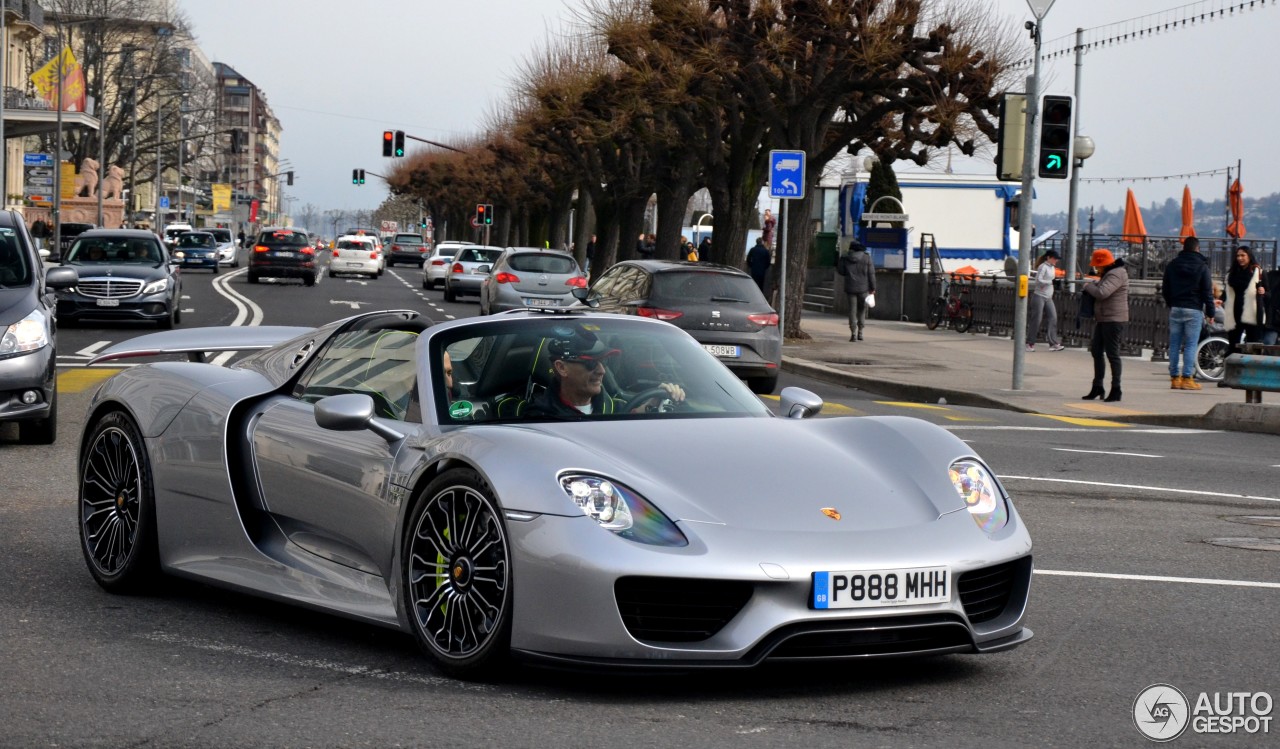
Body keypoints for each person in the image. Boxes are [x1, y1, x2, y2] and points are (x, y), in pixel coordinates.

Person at [525, 327, 684, 419]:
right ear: (561, 368)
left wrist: (654, 402)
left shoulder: (616, 407)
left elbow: (633, 417)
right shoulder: (534, 417)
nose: (601, 370)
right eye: (591, 363)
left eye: (605, 361)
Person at [1160, 236, 1215, 390]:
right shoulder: (1202, 266)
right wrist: (1211, 312)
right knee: (1191, 344)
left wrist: (1172, 303)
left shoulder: (1172, 265)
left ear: (1184, 248)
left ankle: (1174, 378)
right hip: (1193, 308)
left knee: (1174, 344)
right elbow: (1207, 292)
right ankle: (1187, 378)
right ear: (1197, 248)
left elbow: (1165, 289)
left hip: (1176, 308)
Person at [1081, 249, 1129, 402]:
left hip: (1113, 319)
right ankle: (1097, 386)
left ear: (1104, 263)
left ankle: (1116, 389)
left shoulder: (1116, 273)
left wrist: (1088, 286)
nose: (1097, 268)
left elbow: (1103, 293)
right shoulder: (1110, 273)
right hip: (1104, 318)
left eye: (1098, 265)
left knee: (1112, 354)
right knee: (1096, 351)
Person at [1223, 246, 1266, 357]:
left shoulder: (1258, 272)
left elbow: (1268, 293)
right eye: (1238, 255)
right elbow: (1226, 293)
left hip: (1252, 313)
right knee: (1233, 345)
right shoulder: (1231, 273)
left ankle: (1252, 370)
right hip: (1235, 313)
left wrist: (1263, 291)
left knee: (1253, 345)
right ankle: (1234, 370)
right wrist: (1219, 300)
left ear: (1249, 256)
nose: (1240, 258)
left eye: (1243, 255)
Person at [836, 239, 875, 342]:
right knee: (862, 310)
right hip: (864, 288)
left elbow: (841, 271)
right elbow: (871, 274)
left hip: (850, 288)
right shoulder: (867, 258)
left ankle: (853, 333)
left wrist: (841, 260)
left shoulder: (845, 257)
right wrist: (873, 288)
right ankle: (860, 332)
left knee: (852, 311)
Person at [1026, 250, 1064, 352]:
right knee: (1037, 320)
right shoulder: (1043, 267)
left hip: (1048, 297)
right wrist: (1051, 282)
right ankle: (1030, 343)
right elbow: (1038, 280)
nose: (1056, 260)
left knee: (1053, 318)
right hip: (1039, 296)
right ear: (1048, 257)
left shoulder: (1052, 268)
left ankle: (1053, 343)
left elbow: (1050, 281)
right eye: (1054, 258)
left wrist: (1055, 283)